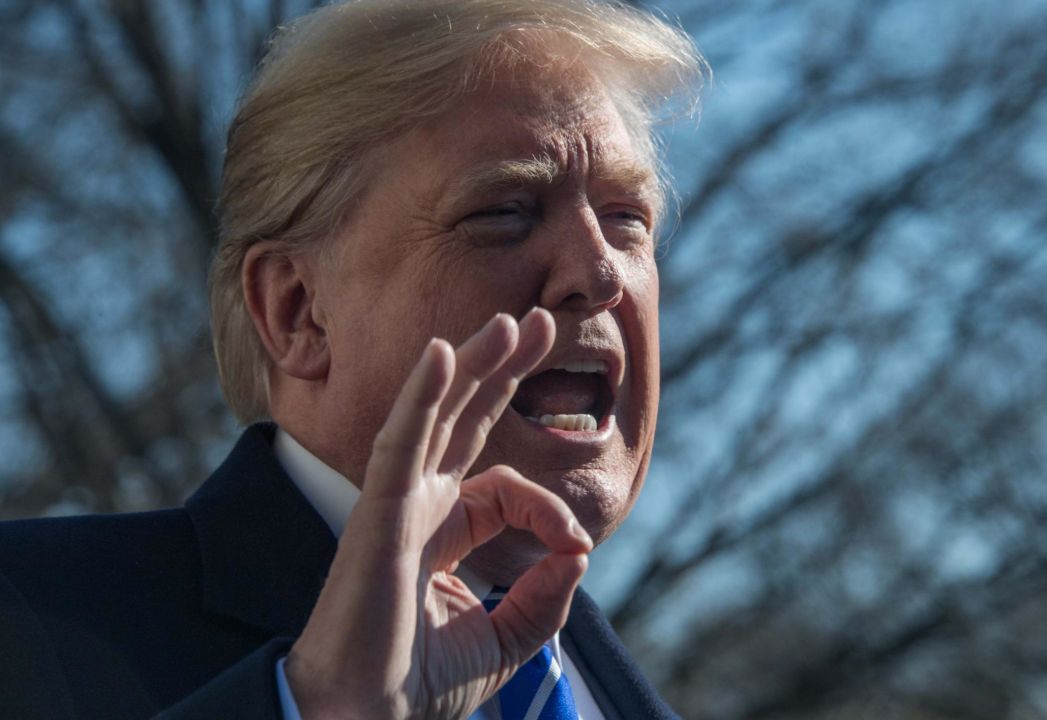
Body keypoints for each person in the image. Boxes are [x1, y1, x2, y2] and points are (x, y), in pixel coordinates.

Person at [0, 0, 705, 717]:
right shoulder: (24, 622)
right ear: (298, 311)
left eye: (627, 219)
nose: (600, 272)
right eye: (504, 211)